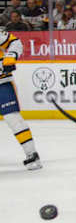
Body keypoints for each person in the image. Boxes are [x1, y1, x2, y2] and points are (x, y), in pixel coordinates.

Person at [0, 31, 42, 170]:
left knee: (13, 118)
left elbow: (15, 42)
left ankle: (31, 154)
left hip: (2, 83)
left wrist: (10, 56)